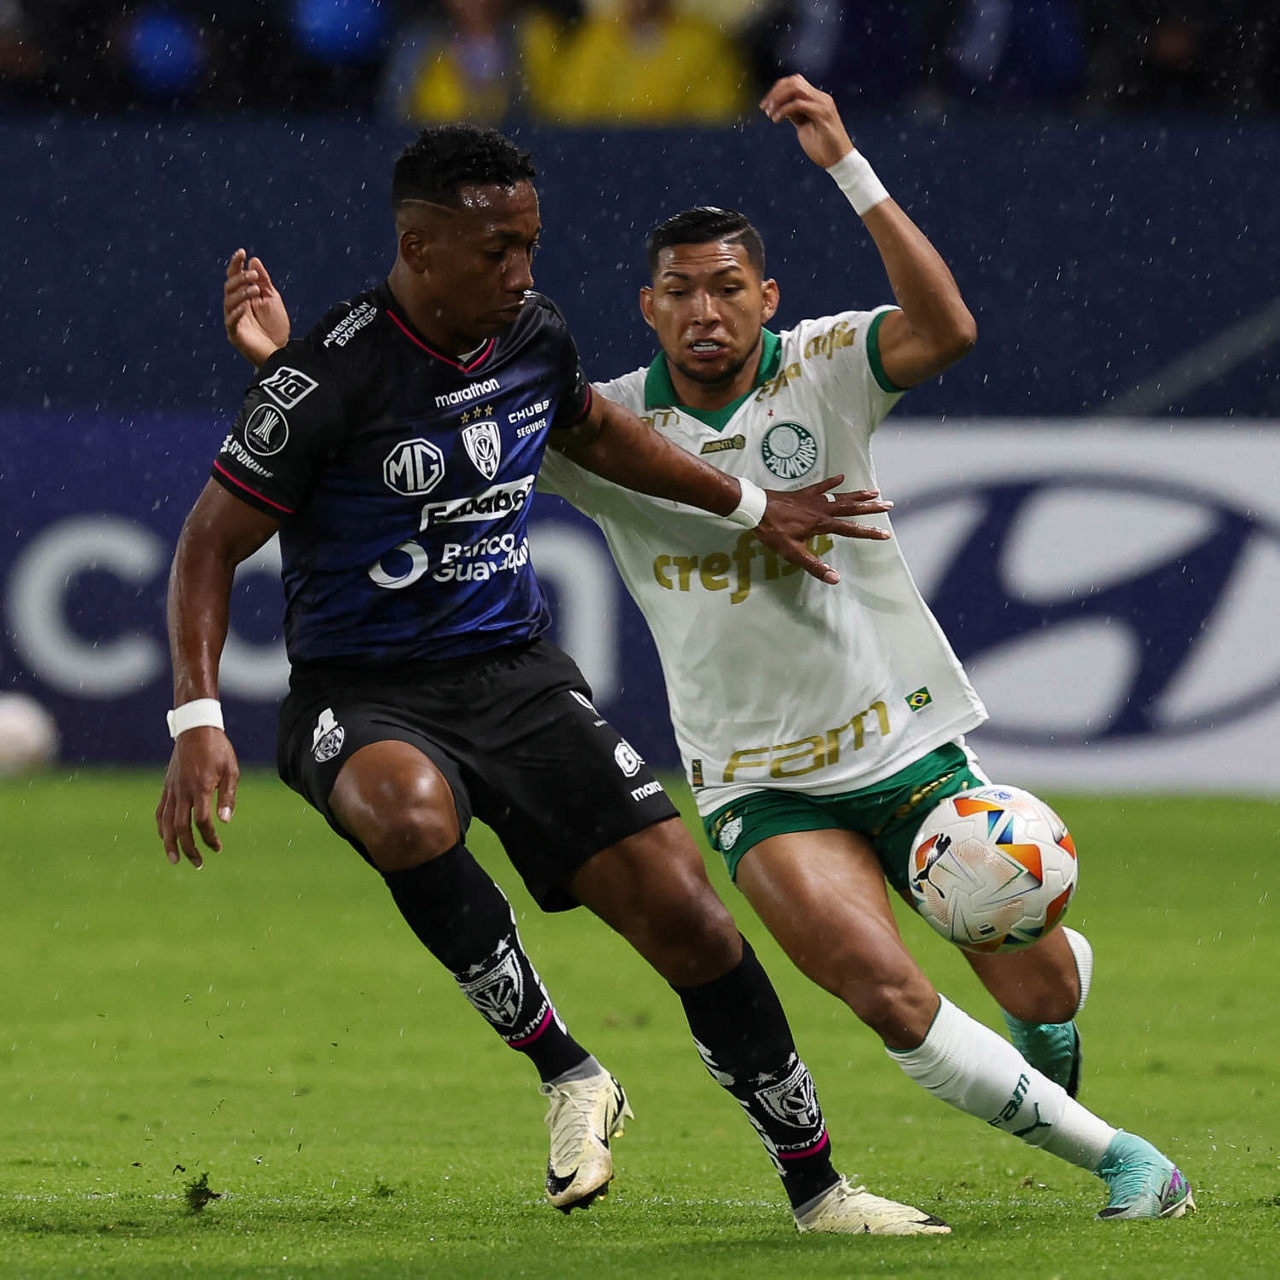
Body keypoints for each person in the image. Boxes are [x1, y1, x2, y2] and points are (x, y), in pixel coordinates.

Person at [224, 80, 1195, 1223]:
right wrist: (284, 369)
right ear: (646, 307)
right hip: (757, 780)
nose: (704, 312)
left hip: (906, 744)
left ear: (764, 297)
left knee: (1035, 977)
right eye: (679, 291)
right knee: (884, 992)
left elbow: (946, 330)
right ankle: (1128, 1162)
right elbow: (419, 434)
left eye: (727, 288)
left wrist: (847, 167)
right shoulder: (598, 421)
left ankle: (1047, 1007)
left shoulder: (823, 364)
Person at [163, 121, 950, 1237]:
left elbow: (597, 431)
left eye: (530, 245)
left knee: (687, 917)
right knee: (406, 810)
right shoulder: (324, 371)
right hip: (360, 690)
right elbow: (207, 545)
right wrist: (198, 719)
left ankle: (818, 1188)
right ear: (419, 248)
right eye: (498, 250)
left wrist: (748, 504)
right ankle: (568, 1070)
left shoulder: (532, 334)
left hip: (516, 678)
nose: (522, 271)